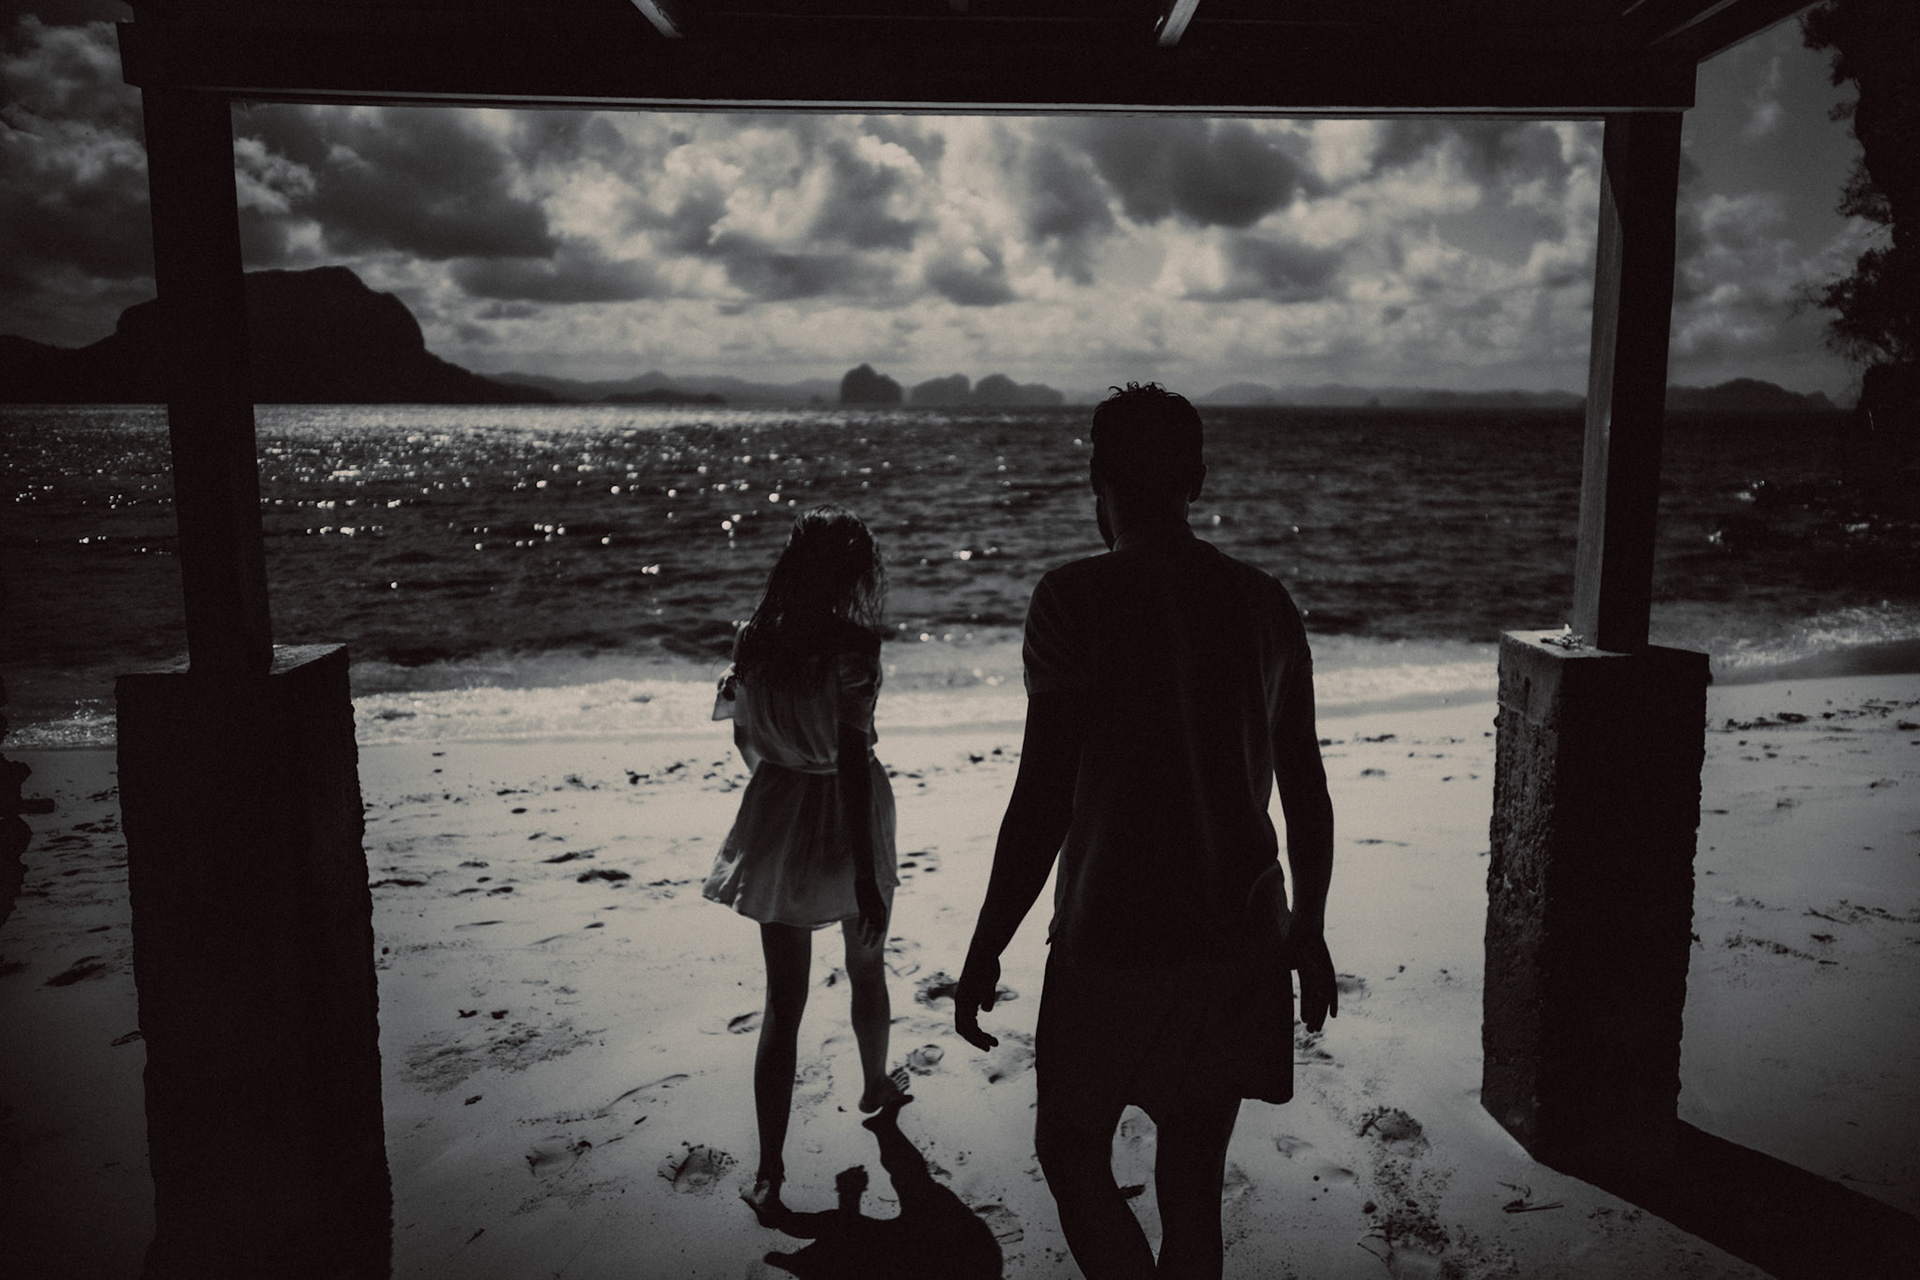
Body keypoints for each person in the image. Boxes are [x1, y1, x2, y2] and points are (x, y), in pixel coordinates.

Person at [953, 383, 1338, 1280]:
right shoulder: (1265, 603)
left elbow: (1043, 801)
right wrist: (1308, 930)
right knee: (1192, 1185)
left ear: (1097, 477)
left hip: (1110, 942)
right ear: (1196, 480)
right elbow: (1307, 790)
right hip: (1240, 939)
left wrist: (986, 946)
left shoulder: (1071, 599)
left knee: (1072, 1152)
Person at [705, 503, 912, 1217]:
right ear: (855, 573)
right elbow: (853, 762)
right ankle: (875, 1083)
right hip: (848, 819)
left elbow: (746, 743)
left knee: (782, 1002)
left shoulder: (754, 639)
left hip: (780, 812)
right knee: (866, 965)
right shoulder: (857, 645)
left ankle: (769, 1170)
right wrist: (863, 871)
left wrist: (785, 769)